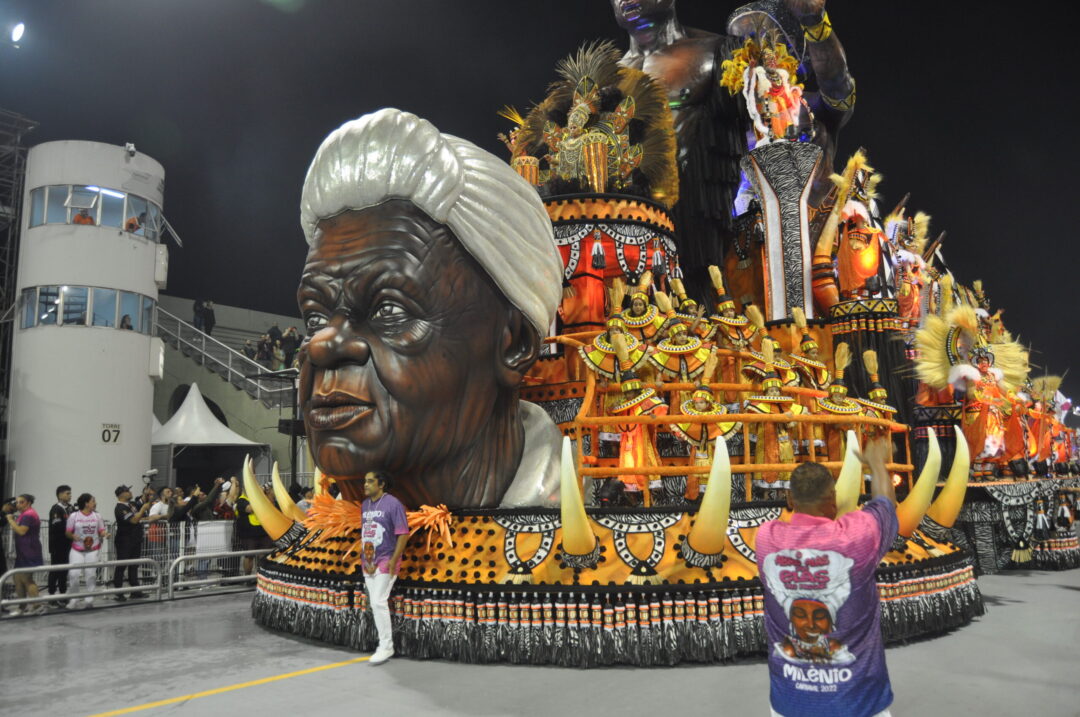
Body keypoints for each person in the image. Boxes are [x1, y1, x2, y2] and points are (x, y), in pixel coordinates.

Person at [297, 108, 563, 508]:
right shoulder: (311, 548)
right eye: (315, 318)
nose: (322, 345)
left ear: (514, 344)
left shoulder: (606, 564)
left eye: (389, 310)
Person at [756, 438, 898, 717]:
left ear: (789, 500)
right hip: (859, 703)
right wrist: (877, 465)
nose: (809, 625)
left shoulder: (766, 538)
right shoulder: (857, 536)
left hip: (790, 703)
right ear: (833, 499)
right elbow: (884, 504)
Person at [360, 471, 409, 665]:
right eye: (365, 481)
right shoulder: (365, 506)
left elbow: (403, 533)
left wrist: (393, 559)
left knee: (378, 602)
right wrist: (367, 561)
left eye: (370, 481)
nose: (365, 484)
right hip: (369, 561)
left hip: (387, 560)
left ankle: (386, 646)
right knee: (374, 602)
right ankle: (383, 643)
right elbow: (366, 534)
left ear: (381, 484)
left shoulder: (393, 504)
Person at [3, 495, 45, 616]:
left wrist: (10, 520)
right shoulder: (24, 514)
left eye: (21, 502)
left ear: (28, 503)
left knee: (27, 579)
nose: (18, 505)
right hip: (22, 552)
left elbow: (21, 531)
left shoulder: (29, 515)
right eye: (17, 502)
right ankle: (22, 606)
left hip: (30, 552)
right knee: (17, 579)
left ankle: (37, 606)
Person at [64, 493, 108, 609]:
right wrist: (73, 536)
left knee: (90, 575)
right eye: (93, 501)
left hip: (93, 550)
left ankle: (89, 600)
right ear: (86, 503)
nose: (95, 503)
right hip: (77, 549)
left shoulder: (97, 516)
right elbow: (68, 532)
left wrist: (105, 534)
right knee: (73, 574)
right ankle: (74, 599)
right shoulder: (74, 516)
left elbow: (101, 530)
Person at [112, 485, 152, 601]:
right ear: (122, 494)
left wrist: (147, 493)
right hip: (124, 541)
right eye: (127, 491)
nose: (130, 492)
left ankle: (135, 591)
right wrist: (143, 510)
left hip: (135, 540)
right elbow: (134, 520)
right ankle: (118, 592)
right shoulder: (120, 508)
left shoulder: (132, 505)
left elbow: (144, 503)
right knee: (121, 566)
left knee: (134, 565)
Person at [47, 484, 74, 602]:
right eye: (67, 493)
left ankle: (63, 595)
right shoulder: (56, 509)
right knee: (55, 570)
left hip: (68, 544)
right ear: (60, 495)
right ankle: (52, 596)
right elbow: (58, 526)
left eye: (70, 493)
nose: (70, 496)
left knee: (64, 570)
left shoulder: (71, 508)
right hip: (58, 545)